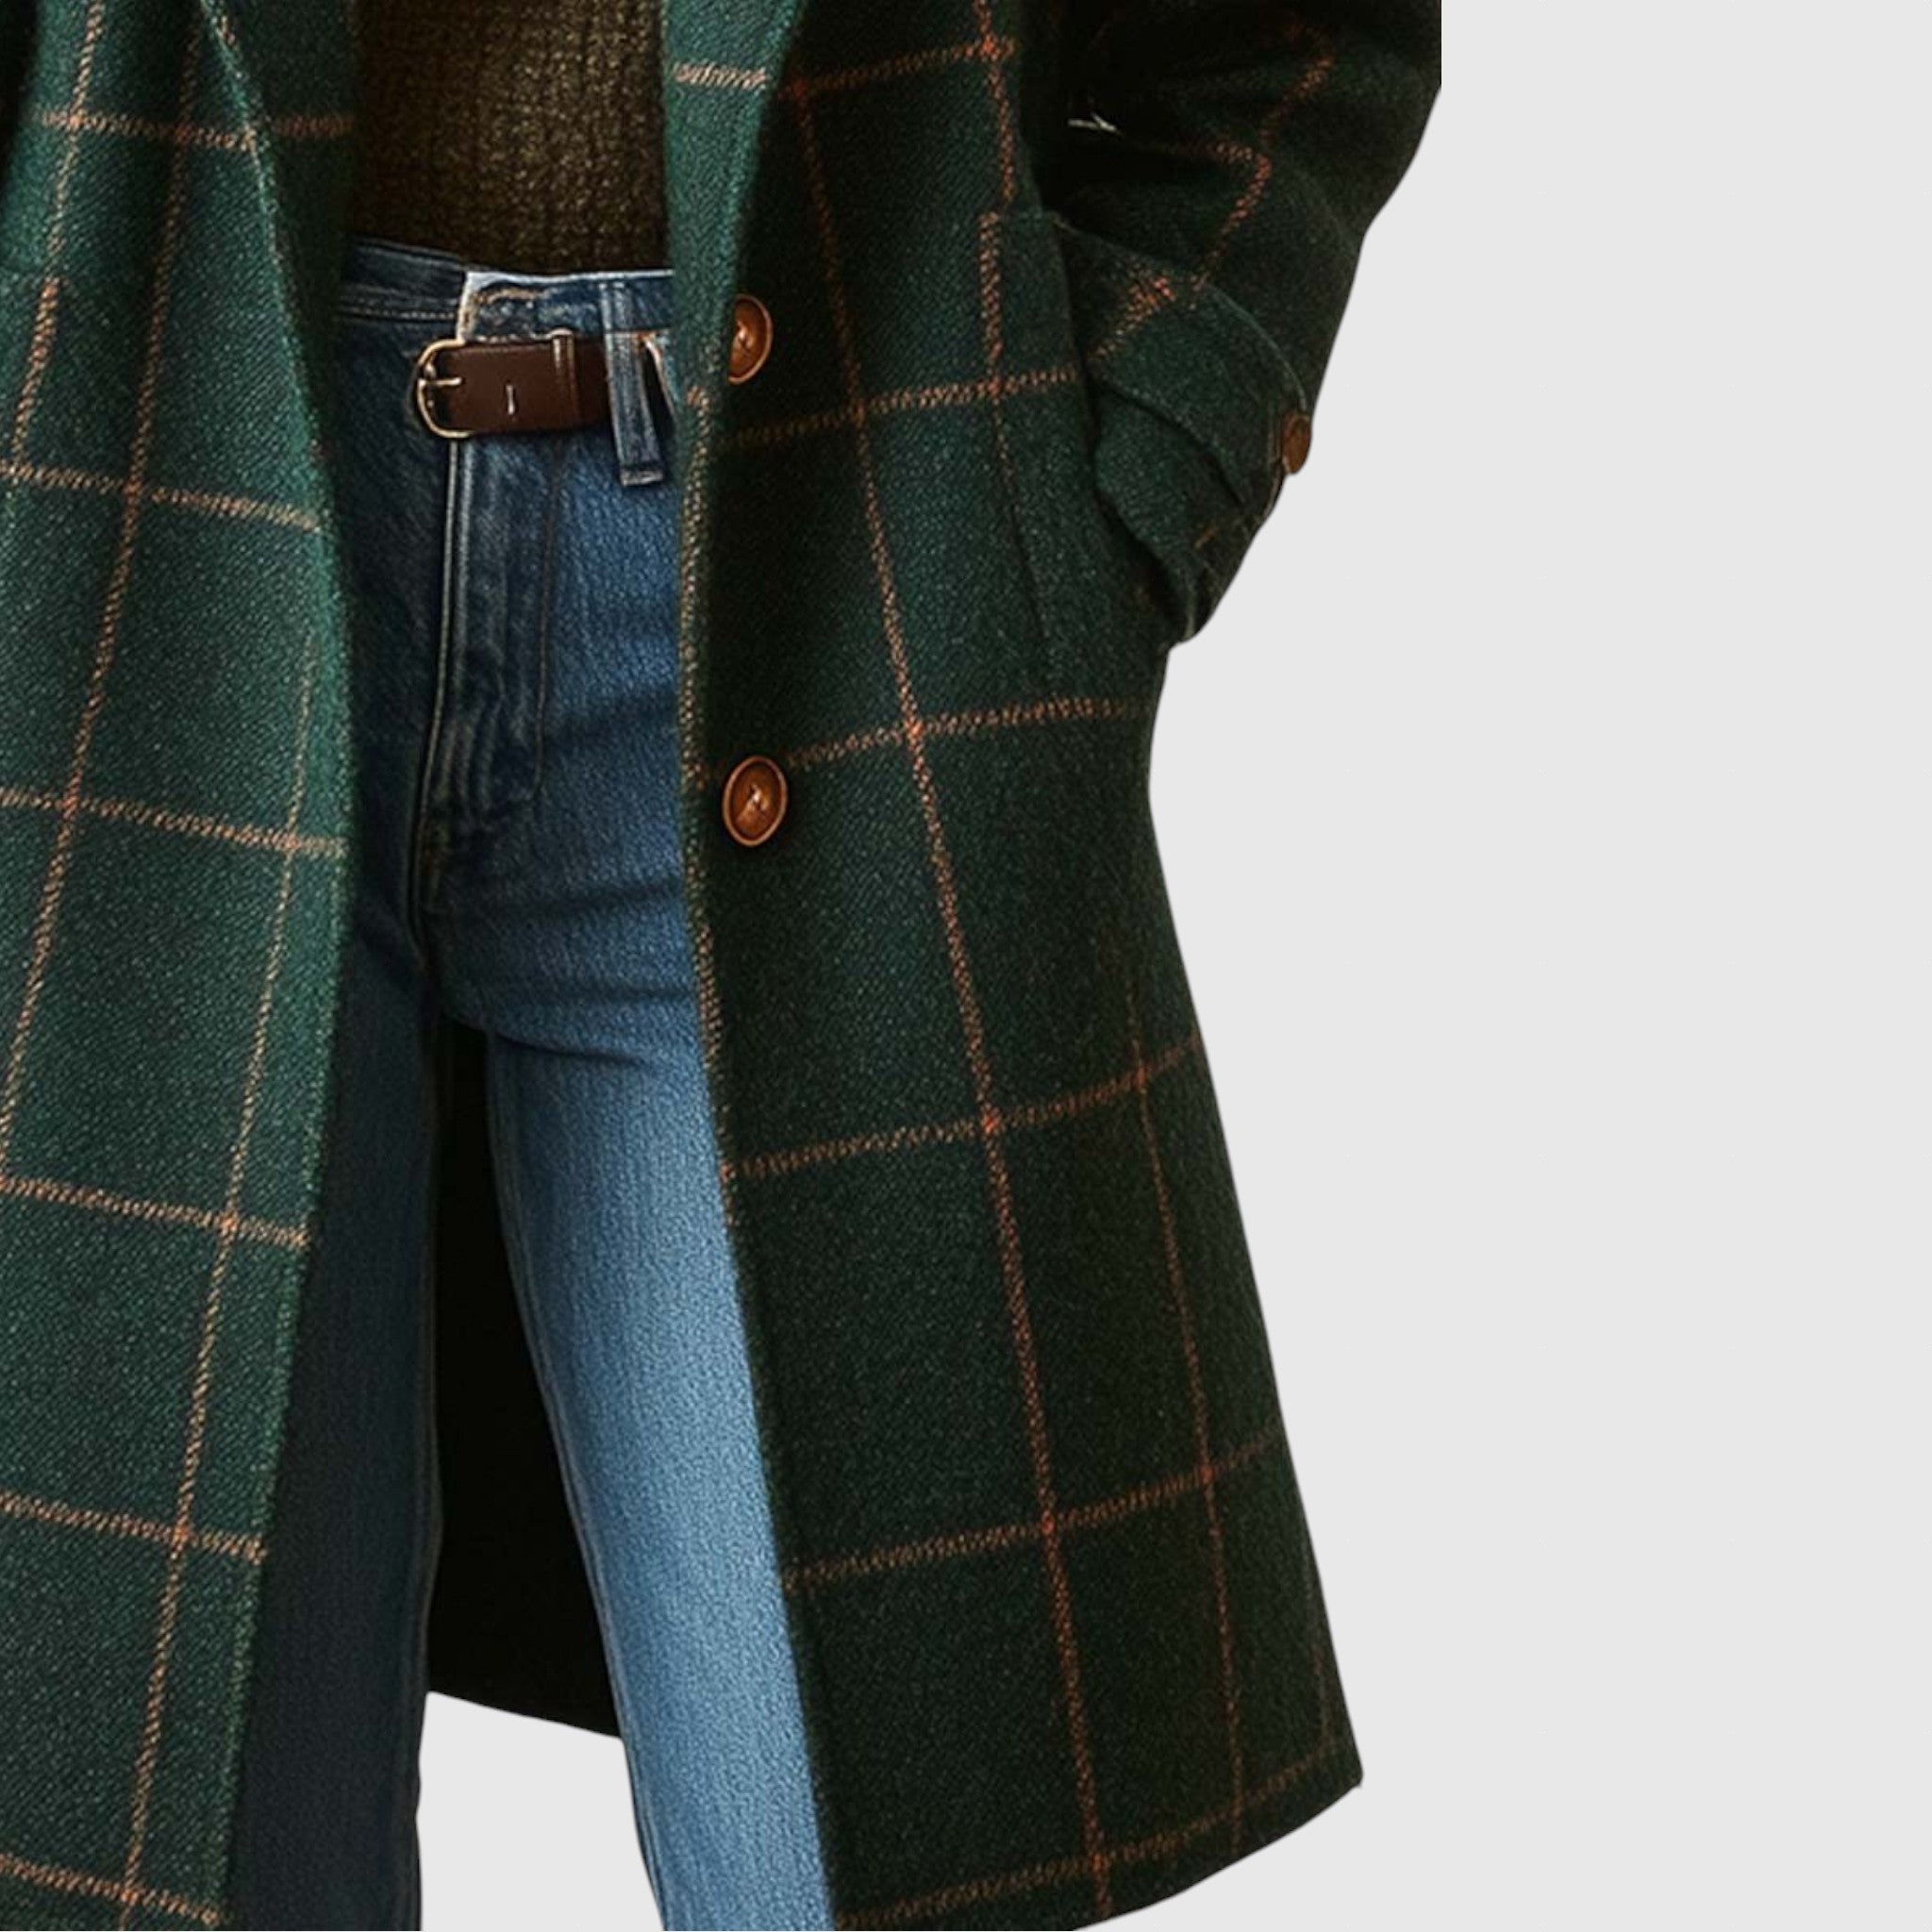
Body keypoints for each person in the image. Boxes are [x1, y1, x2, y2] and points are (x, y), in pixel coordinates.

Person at [0, 3, 1440, 1926]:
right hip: (158, 529)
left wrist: (1121, 485)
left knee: (854, 1811)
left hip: (819, 562)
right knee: (163, 1831)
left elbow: (1298, 36)